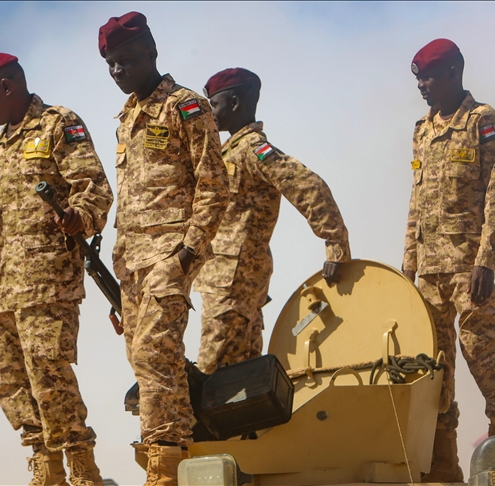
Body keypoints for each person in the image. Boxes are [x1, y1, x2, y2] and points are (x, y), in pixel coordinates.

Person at [0, 52, 113, 486]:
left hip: (47, 281)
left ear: (7, 87)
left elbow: (93, 187)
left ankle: (82, 468)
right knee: (11, 385)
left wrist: (80, 216)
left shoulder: (57, 124)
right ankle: (46, 470)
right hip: (3, 291)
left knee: (51, 378)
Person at [99, 12, 228, 483]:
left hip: (170, 256)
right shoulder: (128, 117)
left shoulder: (185, 106)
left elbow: (214, 185)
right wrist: (123, 278)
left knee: (155, 355)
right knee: (150, 361)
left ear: (151, 52)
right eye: (111, 65)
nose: (119, 71)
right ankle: (178, 455)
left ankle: (164, 466)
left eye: (127, 60)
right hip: (132, 265)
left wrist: (187, 254)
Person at [401, 39, 495, 483]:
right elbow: (416, 203)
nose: (422, 86)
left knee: (482, 352)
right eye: (418, 79)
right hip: (428, 272)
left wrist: (486, 260)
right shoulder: (422, 129)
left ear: (454, 71)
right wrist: (407, 268)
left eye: (428, 77)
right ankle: (443, 466)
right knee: (434, 367)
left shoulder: (482, 121)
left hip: (469, 268)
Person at [194, 68, 351, 374]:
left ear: (235, 103)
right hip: (227, 278)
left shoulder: (253, 149)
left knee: (212, 370)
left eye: (214, 104)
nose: (210, 113)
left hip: (233, 283)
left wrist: (335, 244)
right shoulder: (230, 150)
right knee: (241, 374)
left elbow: (308, 186)